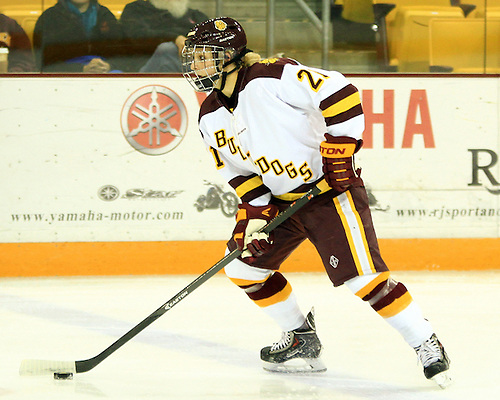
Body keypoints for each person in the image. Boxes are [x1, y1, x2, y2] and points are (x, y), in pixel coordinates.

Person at [181, 17, 451, 388]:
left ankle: (425, 341)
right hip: (280, 205)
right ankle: (301, 337)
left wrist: (340, 151)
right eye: (193, 57)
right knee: (244, 269)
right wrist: (258, 211)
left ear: (229, 55)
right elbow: (236, 171)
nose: (194, 64)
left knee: (364, 280)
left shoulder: (269, 77)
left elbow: (341, 92)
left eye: (202, 56)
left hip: (328, 194)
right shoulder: (209, 115)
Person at [33, 0, 125, 73]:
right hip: (67, 73)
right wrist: (81, 69)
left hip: (105, 69)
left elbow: (123, 55)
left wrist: (109, 65)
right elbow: (44, 63)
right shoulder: (49, 17)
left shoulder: (105, 15)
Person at [120, 0, 208, 72]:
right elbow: (138, 37)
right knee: (167, 50)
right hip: (145, 70)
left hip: (191, 66)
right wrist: (175, 38)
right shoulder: (136, 10)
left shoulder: (196, 16)